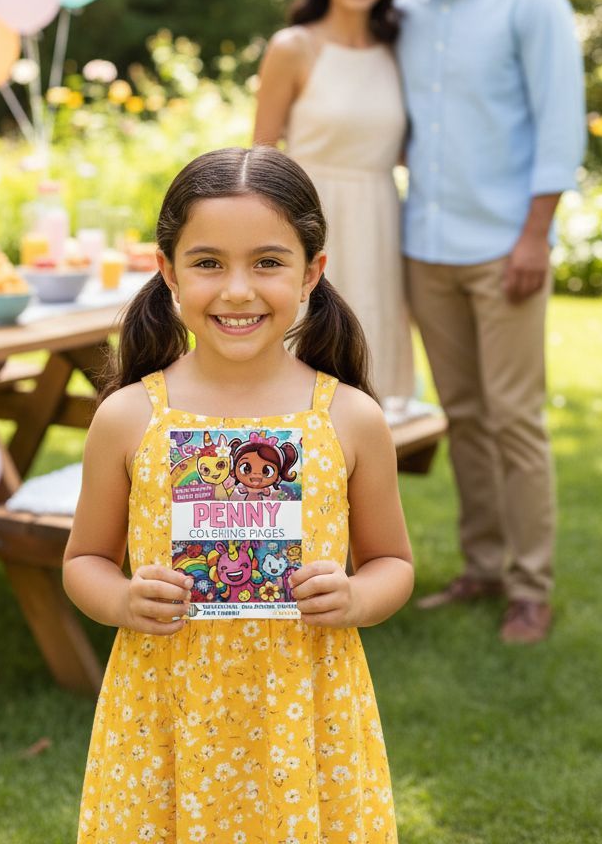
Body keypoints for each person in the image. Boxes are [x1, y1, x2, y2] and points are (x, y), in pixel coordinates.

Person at [64, 145, 414, 844]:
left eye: (268, 262)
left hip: (304, 711)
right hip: (165, 712)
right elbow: (84, 561)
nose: (237, 291)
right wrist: (122, 599)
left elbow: (393, 564)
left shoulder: (348, 418)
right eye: (207, 263)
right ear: (167, 272)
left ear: (312, 271)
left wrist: (356, 596)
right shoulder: (131, 417)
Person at [394, 0, 586, 644]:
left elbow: (560, 123)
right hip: (425, 249)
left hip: (505, 248)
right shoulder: (401, 12)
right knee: (463, 417)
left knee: (514, 419)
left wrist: (535, 236)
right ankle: (481, 566)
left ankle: (530, 586)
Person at [253, 0, 414, 402]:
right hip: (311, 218)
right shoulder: (294, 47)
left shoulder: (399, 47)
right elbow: (260, 156)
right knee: (306, 367)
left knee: (372, 364)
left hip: (380, 220)